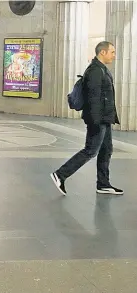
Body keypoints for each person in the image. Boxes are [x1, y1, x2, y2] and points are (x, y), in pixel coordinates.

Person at [51, 41, 123, 196]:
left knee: (106, 150)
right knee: (90, 150)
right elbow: (93, 98)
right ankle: (60, 174)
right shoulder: (95, 71)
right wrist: (96, 122)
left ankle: (103, 184)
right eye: (112, 52)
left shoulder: (101, 69)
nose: (114, 55)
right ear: (102, 52)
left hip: (105, 118)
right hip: (98, 119)